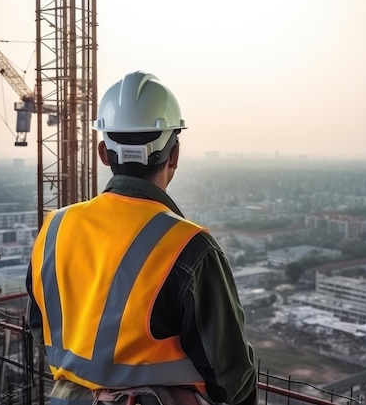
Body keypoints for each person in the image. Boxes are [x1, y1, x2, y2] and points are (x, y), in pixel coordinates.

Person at [25, 71, 258, 405]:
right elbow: (232, 376)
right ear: (173, 156)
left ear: (104, 154)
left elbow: (40, 327)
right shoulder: (189, 247)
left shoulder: (55, 228)